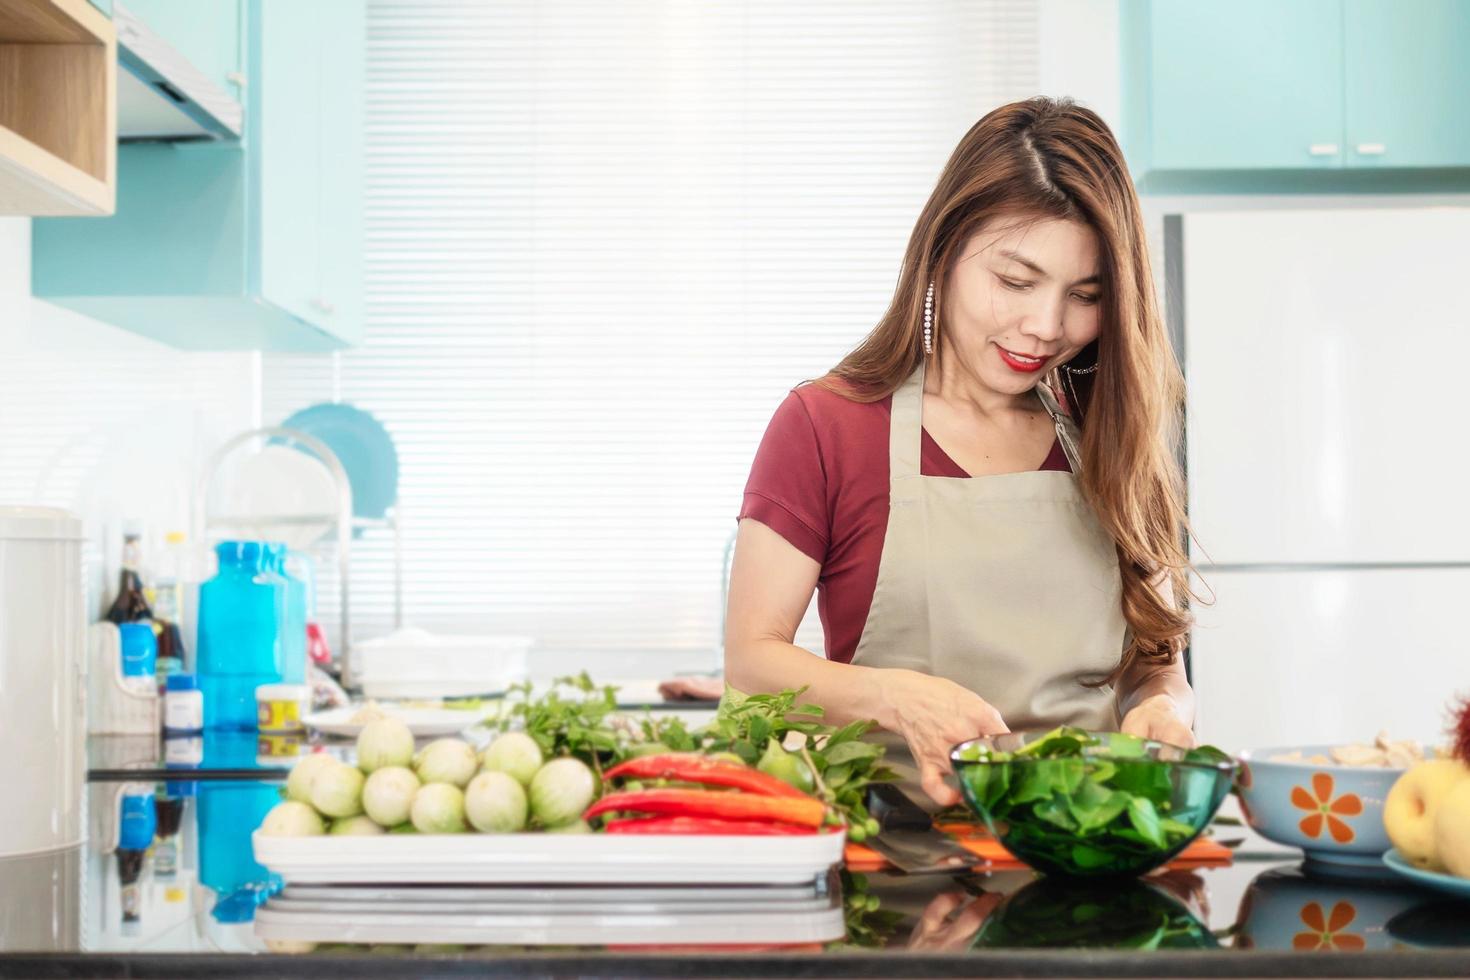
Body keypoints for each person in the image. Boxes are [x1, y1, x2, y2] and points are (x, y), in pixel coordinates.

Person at [723, 96, 1201, 809]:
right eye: (1014, 280)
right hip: (897, 862)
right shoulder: (826, 427)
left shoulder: (1114, 431)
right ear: (943, 251)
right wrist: (892, 696)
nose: (1044, 327)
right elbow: (748, 670)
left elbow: (1155, 668)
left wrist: (1167, 712)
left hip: (1085, 851)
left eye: (1084, 295)